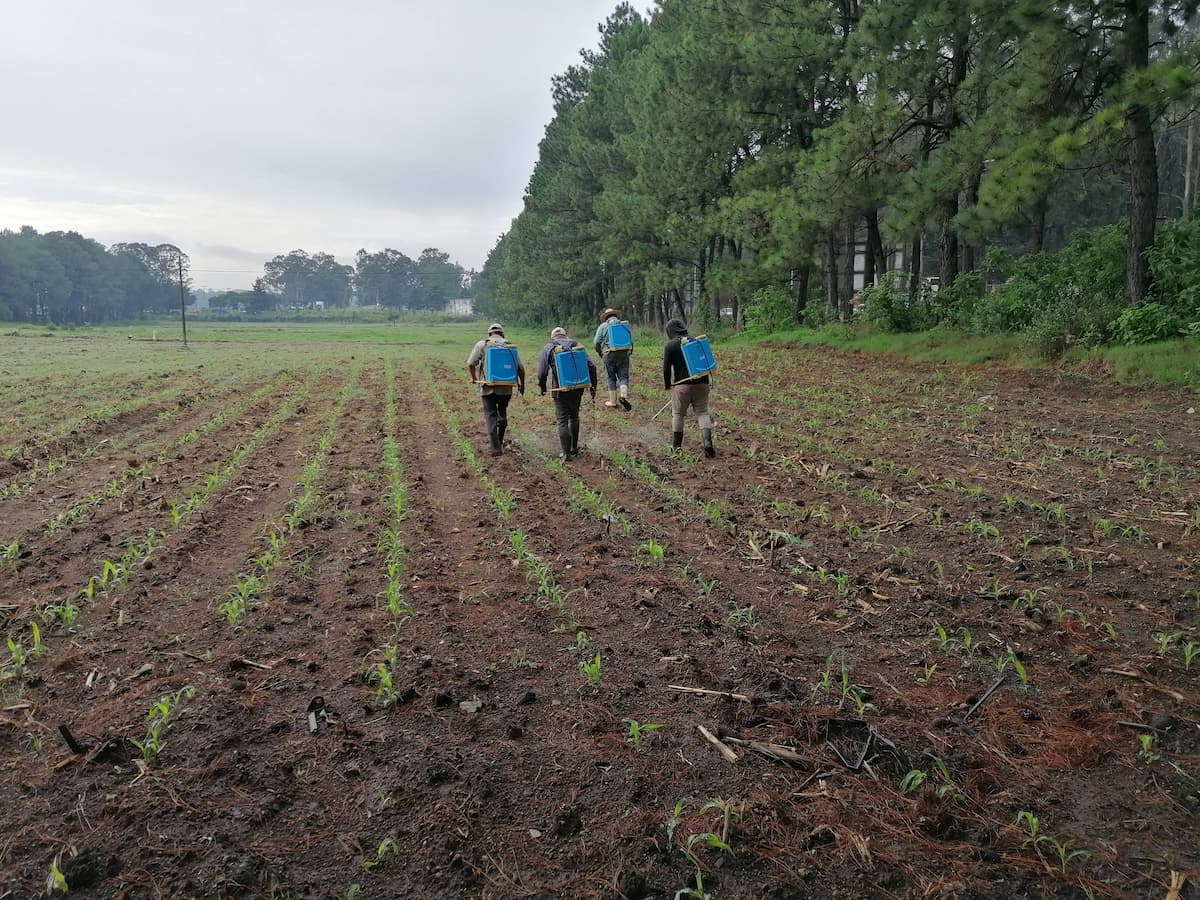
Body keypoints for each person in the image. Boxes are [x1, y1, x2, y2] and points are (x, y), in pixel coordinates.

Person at [538, 326, 598, 461]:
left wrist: (542, 387)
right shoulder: (577, 345)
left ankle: (566, 454)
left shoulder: (549, 347)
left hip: (560, 390)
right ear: (566, 335)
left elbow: (542, 372)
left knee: (562, 419)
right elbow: (591, 366)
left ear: (553, 337)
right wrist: (593, 386)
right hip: (578, 387)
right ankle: (574, 448)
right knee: (574, 416)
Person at [466, 323, 525, 456]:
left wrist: (474, 378)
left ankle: (495, 448)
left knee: (490, 415)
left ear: (489, 334)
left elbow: (470, 364)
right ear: (502, 334)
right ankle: (501, 430)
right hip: (506, 388)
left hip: (488, 388)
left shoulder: (483, 344)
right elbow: (520, 368)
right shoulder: (509, 345)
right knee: (502, 411)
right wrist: (522, 385)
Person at [662, 318, 715, 457]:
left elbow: (666, 368)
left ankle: (676, 447)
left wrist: (667, 384)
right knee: (702, 412)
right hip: (702, 384)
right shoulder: (697, 342)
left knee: (678, 414)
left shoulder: (671, 345)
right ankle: (708, 443)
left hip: (682, 386)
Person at [592, 307, 633, 411]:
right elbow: (629, 340)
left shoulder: (603, 326)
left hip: (608, 354)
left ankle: (613, 402)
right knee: (623, 377)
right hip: (623, 354)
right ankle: (623, 396)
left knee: (611, 378)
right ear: (615, 315)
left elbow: (596, 342)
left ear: (606, 317)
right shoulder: (624, 325)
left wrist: (600, 352)